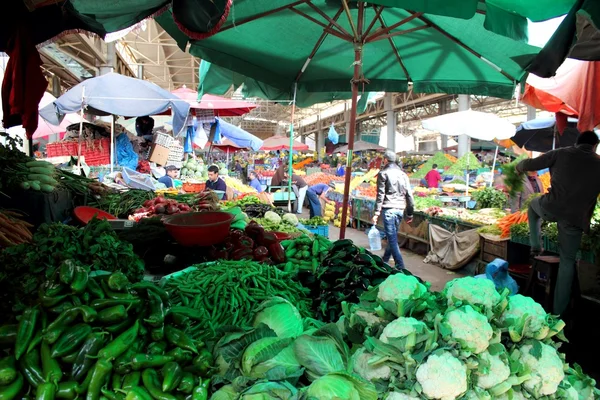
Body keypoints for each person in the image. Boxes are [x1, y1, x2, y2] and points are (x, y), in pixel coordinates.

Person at [516, 131, 600, 316]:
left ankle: (535, 246)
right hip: (576, 219)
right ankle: (557, 314)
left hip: (551, 208)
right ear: (595, 146)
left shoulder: (561, 152)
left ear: (577, 143)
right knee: (567, 262)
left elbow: (531, 164)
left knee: (532, 206)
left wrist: (520, 166)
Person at [372, 150, 415, 269]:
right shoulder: (403, 175)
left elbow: (380, 194)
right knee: (392, 236)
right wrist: (410, 213)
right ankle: (385, 259)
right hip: (400, 209)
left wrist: (376, 212)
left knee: (392, 239)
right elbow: (409, 195)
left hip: (388, 209)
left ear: (385, 160)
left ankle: (400, 266)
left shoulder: (383, 173)